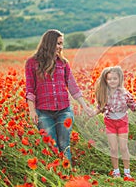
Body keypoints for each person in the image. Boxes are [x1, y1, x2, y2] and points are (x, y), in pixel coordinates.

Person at [25, 29, 94, 162]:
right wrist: (32, 110)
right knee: (52, 146)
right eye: (58, 43)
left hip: (64, 111)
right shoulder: (32, 63)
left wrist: (85, 106)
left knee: (64, 144)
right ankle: (57, 175)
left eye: (62, 44)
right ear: (49, 43)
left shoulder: (63, 63)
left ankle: (69, 175)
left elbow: (73, 87)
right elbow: (30, 89)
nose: (60, 47)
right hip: (43, 113)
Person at [94, 66, 136, 178]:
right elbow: (100, 108)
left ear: (119, 79)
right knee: (113, 148)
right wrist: (92, 112)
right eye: (109, 79)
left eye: (114, 79)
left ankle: (127, 172)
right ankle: (116, 171)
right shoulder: (104, 94)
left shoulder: (124, 93)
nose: (112, 81)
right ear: (106, 80)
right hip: (110, 122)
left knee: (123, 147)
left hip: (122, 122)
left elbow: (133, 105)